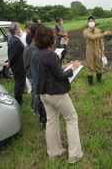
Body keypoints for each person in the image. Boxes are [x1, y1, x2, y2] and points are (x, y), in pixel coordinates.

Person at [33, 26, 84, 164]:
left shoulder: (37, 53)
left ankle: (54, 152)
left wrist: (64, 66)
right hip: (56, 93)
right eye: (53, 36)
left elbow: (51, 71)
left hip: (43, 93)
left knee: (52, 121)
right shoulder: (50, 55)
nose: (55, 38)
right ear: (49, 38)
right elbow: (60, 76)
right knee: (71, 118)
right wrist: (72, 69)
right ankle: (75, 154)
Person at [26, 23, 47, 128]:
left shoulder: (33, 44)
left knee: (39, 96)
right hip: (38, 76)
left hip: (35, 74)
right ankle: (43, 120)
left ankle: (42, 117)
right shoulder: (35, 46)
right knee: (40, 97)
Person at [83, 16, 112, 86]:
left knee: (99, 65)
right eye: (90, 21)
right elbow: (92, 37)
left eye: (92, 21)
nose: (91, 23)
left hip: (98, 50)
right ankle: (91, 82)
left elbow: (101, 42)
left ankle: (99, 81)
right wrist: (103, 34)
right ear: (87, 23)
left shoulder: (98, 31)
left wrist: (102, 52)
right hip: (90, 50)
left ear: (95, 22)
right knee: (89, 65)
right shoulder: (85, 32)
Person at [6, 22, 26, 105]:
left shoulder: (12, 39)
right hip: (18, 65)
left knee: (18, 81)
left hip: (16, 64)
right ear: (15, 30)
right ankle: (18, 101)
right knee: (20, 82)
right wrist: (10, 62)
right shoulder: (16, 41)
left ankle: (18, 98)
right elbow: (14, 54)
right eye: (19, 28)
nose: (20, 29)